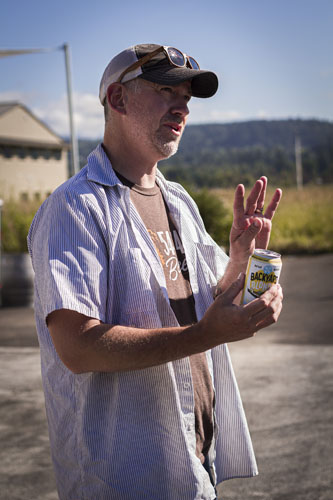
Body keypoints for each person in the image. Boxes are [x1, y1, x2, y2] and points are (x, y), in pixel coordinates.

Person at [28, 44, 283, 500]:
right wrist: (205, 335)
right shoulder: (74, 208)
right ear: (117, 99)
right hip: (124, 480)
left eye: (187, 95)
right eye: (167, 90)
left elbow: (212, 300)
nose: (183, 105)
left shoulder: (179, 201)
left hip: (194, 461)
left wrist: (244, 263)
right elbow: (78, 347)